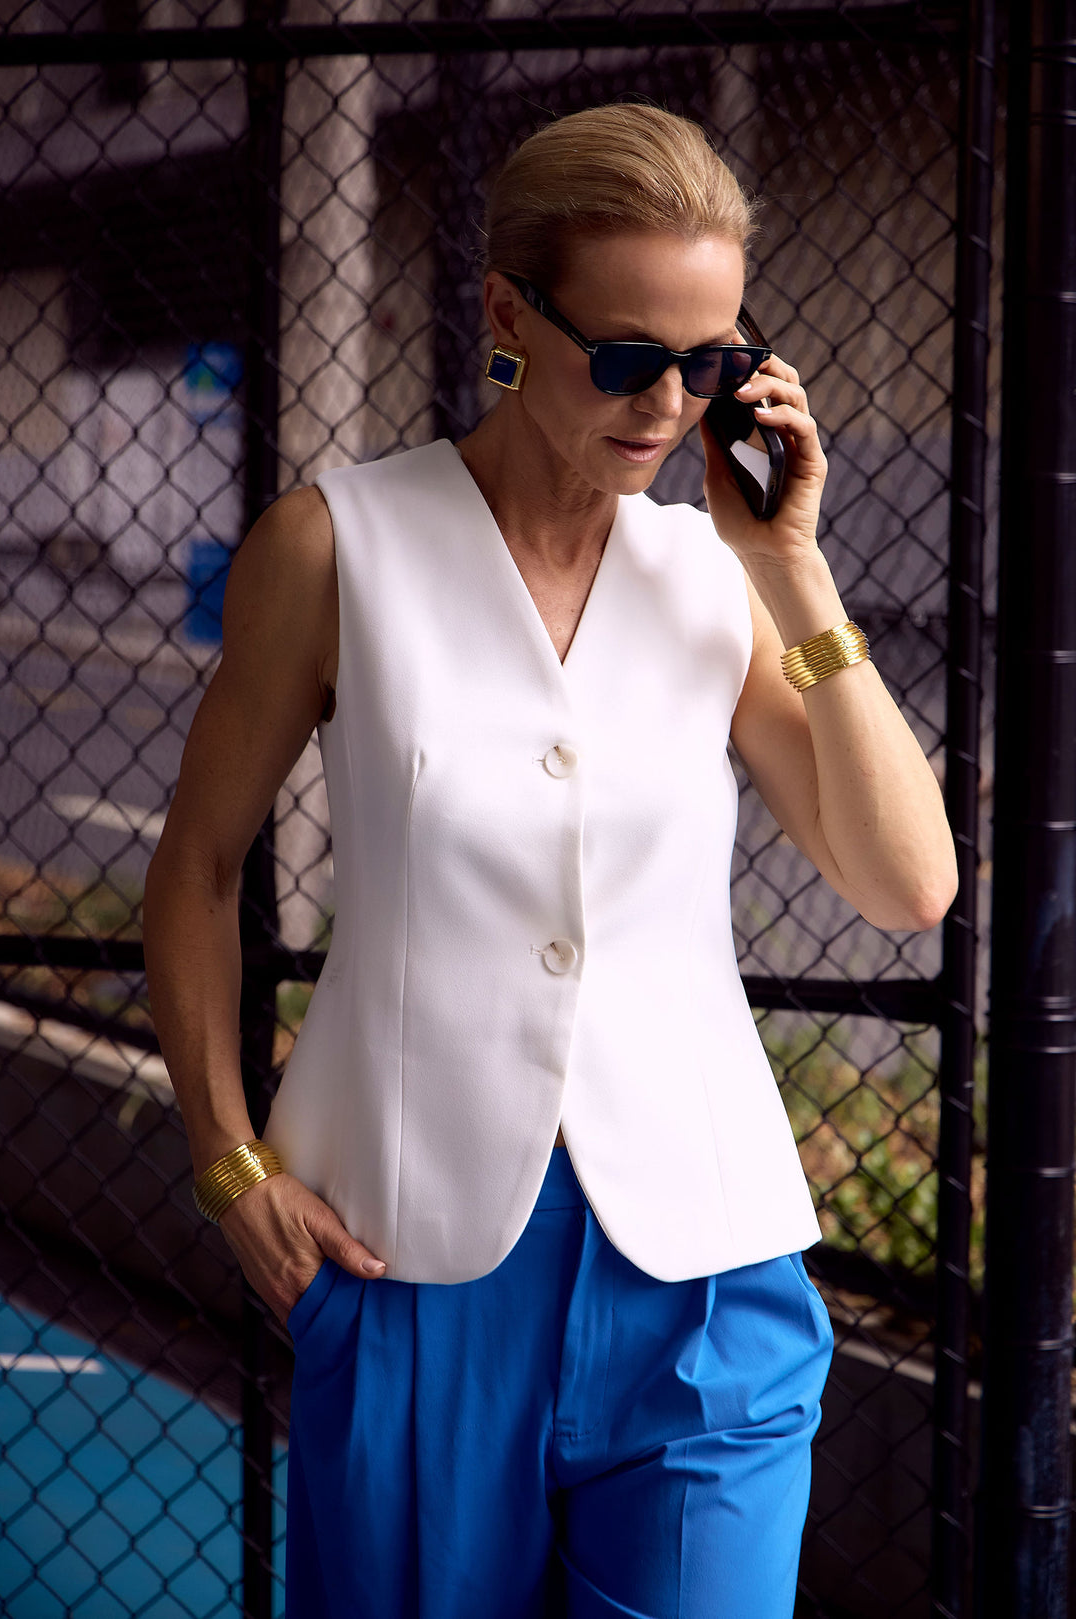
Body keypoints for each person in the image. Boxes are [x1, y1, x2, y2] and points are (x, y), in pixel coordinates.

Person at [143, 102, 958, 1619]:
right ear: (511, 313)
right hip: (407, 1266)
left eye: (708, 365)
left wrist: (795, 566)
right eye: (629, 356)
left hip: (708, 1282)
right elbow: (192, 872)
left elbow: (910, 884)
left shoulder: (721, 581)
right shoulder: (336, 549)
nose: (667, 407)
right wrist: (228, 1161)